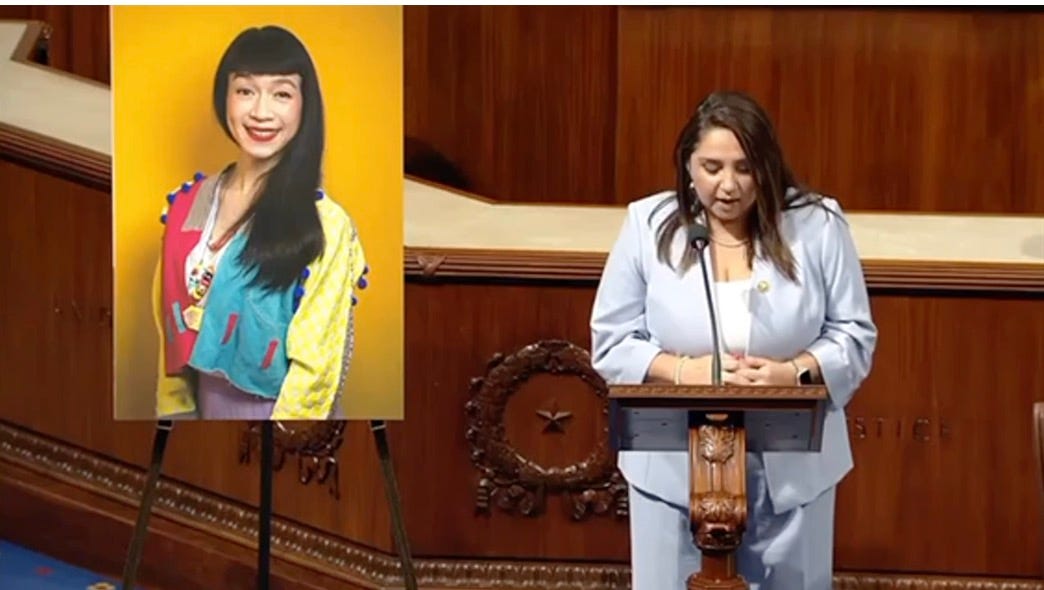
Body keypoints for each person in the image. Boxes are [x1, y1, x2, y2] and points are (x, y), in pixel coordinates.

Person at [589, 91, 877, 589]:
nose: (728, 185)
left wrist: (793, 371)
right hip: (673, 472)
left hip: (795, 472)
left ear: (767, 167)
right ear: (687, 166)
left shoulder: (817, 224)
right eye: (712, 166)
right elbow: (611, 341)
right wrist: (683, 372)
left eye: (745, 168)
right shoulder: (648, 223)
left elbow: (854, 335)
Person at [150, 25, 368, 421]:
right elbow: (169, 322)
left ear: (305, 106)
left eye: (282, 93)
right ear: (225, 98)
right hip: (200, 417)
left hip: (280, 421)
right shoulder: (189, 203)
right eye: (246, 91)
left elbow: (315, 370)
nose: (261, 112)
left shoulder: (325, 224)